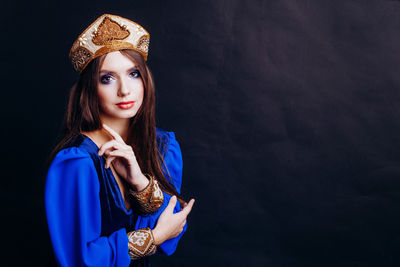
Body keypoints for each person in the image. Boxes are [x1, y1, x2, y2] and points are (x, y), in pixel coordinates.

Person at [45, 14, 195, 266]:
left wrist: (139, 182)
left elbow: (174, 229)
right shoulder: (78, 162)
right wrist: (154, 237)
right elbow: (80, 259)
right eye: (107, 78)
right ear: (90, 88)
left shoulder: (162, 146)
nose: (124, 89)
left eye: (134, 73)